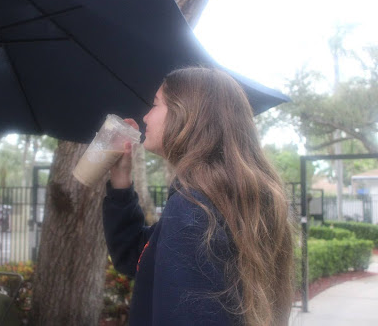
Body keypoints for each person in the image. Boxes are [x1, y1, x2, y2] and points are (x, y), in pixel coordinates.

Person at [103, 67, 294, 325]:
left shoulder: (194, 209)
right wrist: (121, 182)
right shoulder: (219, 199)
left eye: (156, 104)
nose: (146, 117)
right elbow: (136, 256)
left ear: (187, 114)